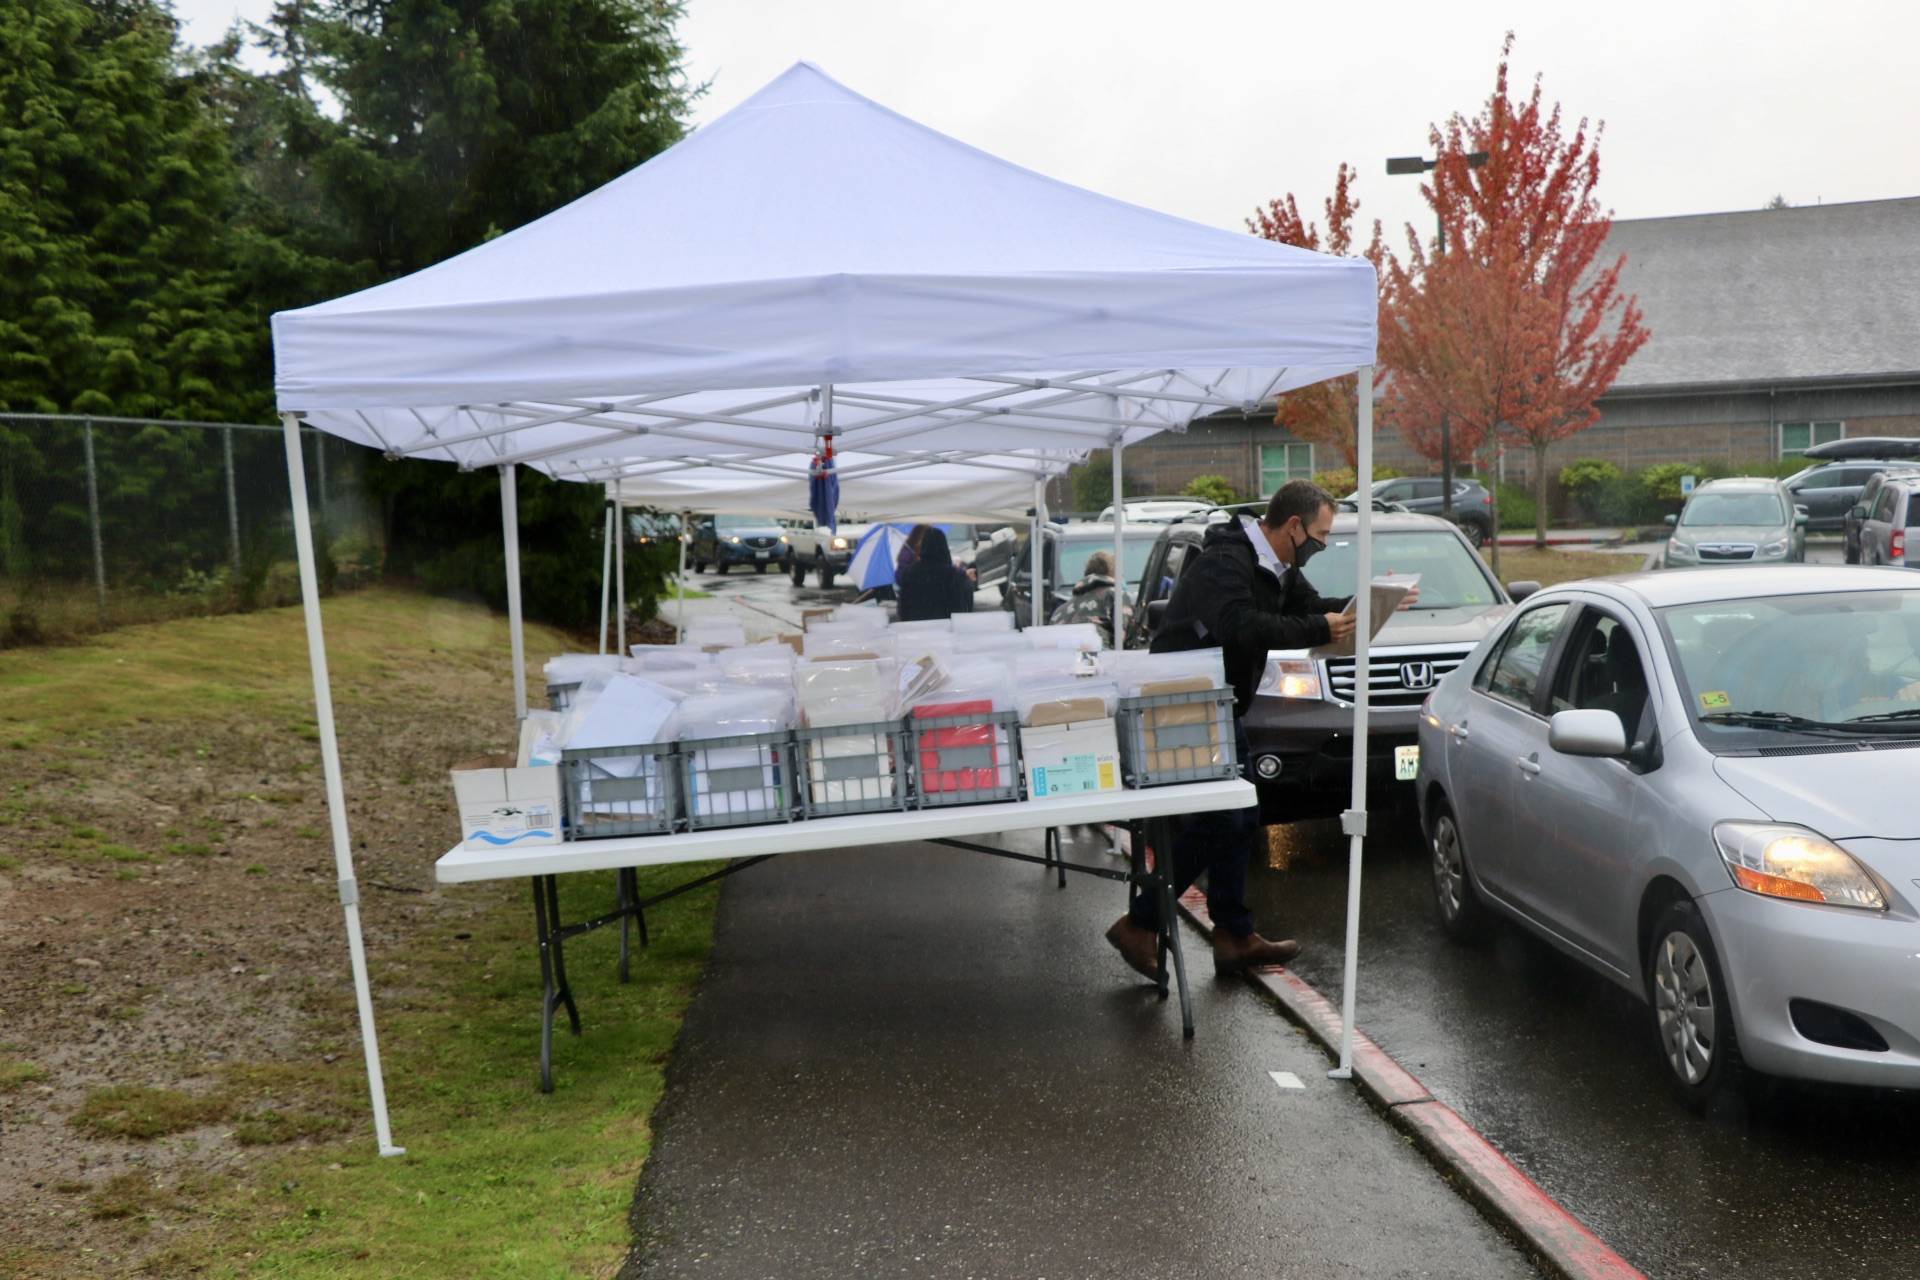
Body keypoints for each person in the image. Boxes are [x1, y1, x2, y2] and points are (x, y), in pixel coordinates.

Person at [1102, 480, 1415, 979]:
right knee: (1226, 818)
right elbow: (1240, 626)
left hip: (1218, 704)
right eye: (1319, 535)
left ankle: (1232, 933)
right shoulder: (1223, 562)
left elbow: (1312, 609)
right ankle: (1143, 922)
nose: (1321, 546)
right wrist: (1321, 629)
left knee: (1243, 815)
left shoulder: (1279, 567)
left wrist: (1374, 602)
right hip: (1183, 707)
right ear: (1292, 526)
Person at [1049, 550, 1132, 648]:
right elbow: (1123, 635)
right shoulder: (1117, 596)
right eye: (1121, 575)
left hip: (1063, 659)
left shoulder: (1061, 610)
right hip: (1100, 658)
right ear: (1114, 574)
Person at [894, 525, 975, 622]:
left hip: (916, 630)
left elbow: (903, 608)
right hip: (946, 631)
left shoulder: (910, 573)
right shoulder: (954, 575)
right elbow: (962, 609)